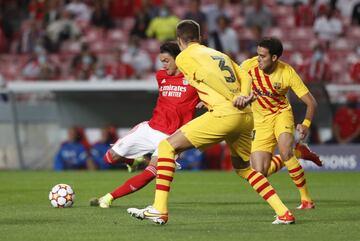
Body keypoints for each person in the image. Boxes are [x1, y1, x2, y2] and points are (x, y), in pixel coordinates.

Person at [127, 20, 295, 225]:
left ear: (180, 40)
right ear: (200, 38)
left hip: (225, 113)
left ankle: (159, 210)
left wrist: (230, 97)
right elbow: (244, 74)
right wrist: (241, 96)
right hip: (246, 115)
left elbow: (206, 76)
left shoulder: (184, 57)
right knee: (244, 168)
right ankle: (283, 213)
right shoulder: (218, 54)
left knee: (165, 146)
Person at [89, 42, 200, 208]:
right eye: (161, 61)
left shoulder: (194, 80)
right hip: (150, 128)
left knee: (151, 172)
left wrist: (206, 102)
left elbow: (213, 93)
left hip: (173, 138)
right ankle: (133, 162)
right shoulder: (161, 76)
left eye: (167, 60)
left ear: (179, 59)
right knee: (109, 158)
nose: (163, 65)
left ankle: (108, 197)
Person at [240, 37, 320, 210]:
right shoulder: (248, 66)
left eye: (263, 56)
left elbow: (311, 102)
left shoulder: (287, 72)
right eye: (258, 54)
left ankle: (306, 200)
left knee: (285, 152)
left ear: (274, 57)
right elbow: (230, 84)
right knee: (259, 173)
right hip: (260, 121)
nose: (258, 59)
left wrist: (305, 124)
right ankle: (298, 153)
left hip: (281, 115)